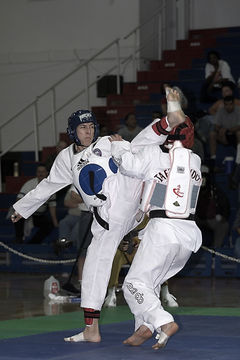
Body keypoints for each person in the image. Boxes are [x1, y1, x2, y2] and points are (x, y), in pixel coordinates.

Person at [11, 90, 187, 343]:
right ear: (73, 131)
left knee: (136, 147)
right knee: (98, 267)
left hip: (130, 203)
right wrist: (22, 208)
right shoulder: (65, 160)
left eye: (91, 127)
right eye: (83, 128)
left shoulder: (105, 143)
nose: (88, 132)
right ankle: (118, 326)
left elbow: (133, 149)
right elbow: (48, 186)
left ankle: (170, 122)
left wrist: (119, 146)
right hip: (111, 219)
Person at [109, 94, 202, 350]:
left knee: (133, 284)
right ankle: (145, 328)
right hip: (188, 236)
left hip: (162, 230)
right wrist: (175, 109)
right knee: (148, 284)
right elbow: (180, 130)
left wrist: (119, 145)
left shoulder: (154, 155)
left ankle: (162, 321)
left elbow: (127, 165)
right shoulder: (195, 161)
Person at [13, 163, 58, 244]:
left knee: (49, 225)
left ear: (47, 173)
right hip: (26, 212)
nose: (40, 173)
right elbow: (19, 199)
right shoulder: (29, 184)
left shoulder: (51, 186)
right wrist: (23, 212)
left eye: (43, 172)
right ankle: (18, 239)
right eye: (38, 171)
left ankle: (33, 243)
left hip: (38, 215)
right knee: (15, 216)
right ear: (36, 173)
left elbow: (52, 206)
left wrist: (55, 222)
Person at [195, 165, 230, 248]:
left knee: (223, 225)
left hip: (211, 219)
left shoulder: (215, 190)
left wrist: (223, 216)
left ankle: (215, 252)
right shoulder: (193, 188)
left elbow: (225, 204)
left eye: (204, 176)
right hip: (196, 219)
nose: (203, 179)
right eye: (201, 176)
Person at [209, 95, 240, 172]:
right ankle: (213, 159)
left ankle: (238, 159)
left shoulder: (238, 110)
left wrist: (226, 130)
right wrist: (221, 130)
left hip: (235, 135)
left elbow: (239, 126)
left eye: (230, 104)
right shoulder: (221, 110)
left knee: (239, 133)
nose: (228, 106)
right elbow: (216, 125)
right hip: (223, 135)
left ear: (233, 104)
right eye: (226, 104)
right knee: (212, 134)